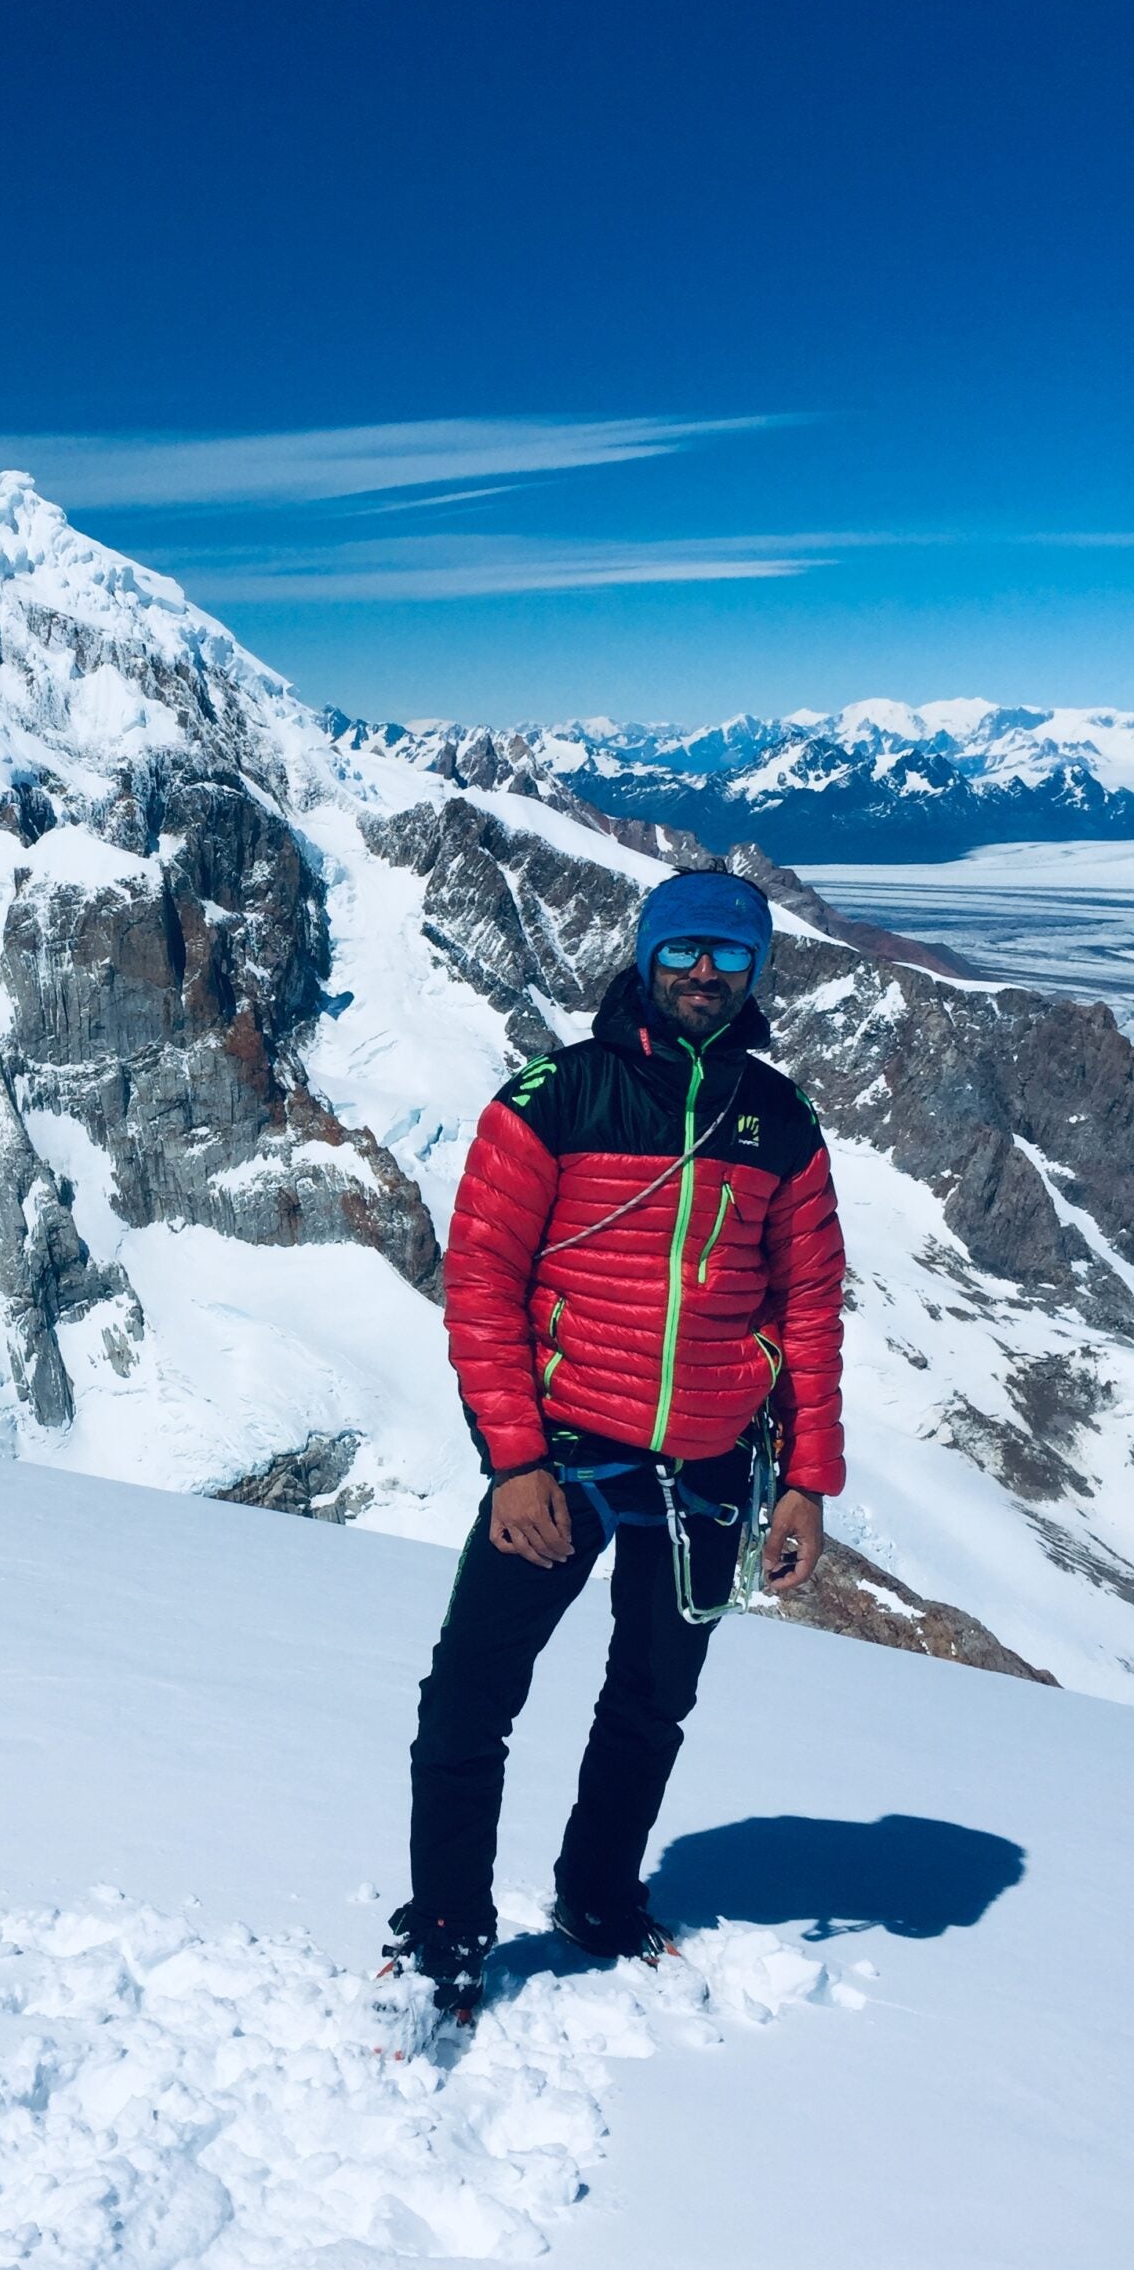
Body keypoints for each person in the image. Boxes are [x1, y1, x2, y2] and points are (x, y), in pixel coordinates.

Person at [385, 864, 845, 2018]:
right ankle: (444, 1927)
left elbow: (808, 1309)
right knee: (470, 1699)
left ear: (755, 973)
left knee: (649, 1702)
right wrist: (516, 1462)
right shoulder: (557, 1095)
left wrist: (806, 1481)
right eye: (684, 950)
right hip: (566, 1459)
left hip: (707, 1473)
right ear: (645, 957)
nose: (704, 974)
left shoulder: (780, 1123)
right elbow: (480, 1282)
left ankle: (597, 1895)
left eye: (729, 957)